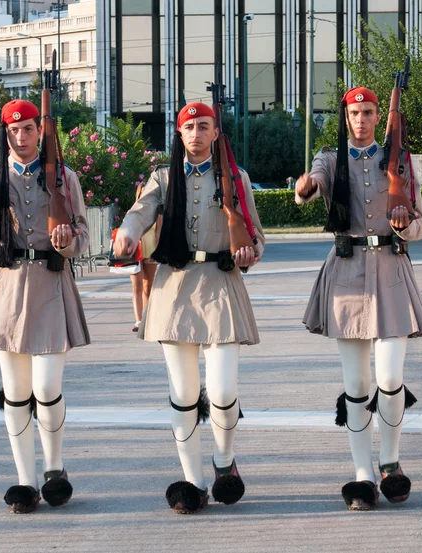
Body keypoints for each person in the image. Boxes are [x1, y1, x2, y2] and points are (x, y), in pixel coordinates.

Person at [114, 101, 264, 514]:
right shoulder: (163, 177)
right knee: (182, 393)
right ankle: (193, 481)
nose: (196, 133)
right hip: (175, 288)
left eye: (204, 126)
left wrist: (250, 252)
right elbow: (139, 211)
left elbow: (255, 233)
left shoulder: (235, 178)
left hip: (220, 284)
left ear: (216, 133)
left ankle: (223, 459)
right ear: (179, 134)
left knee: (223, 390)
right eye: (189, 127)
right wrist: (127, 235)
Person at [294, 87, 422, 511]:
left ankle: (390, 461)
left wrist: (405, 222)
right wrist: (304, 188)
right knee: (356, 384)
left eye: (368, 112)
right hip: (347, 271)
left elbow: (419, 228)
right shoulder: (329, 157)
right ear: (345, 116)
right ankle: (362, 474)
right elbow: (312, 186)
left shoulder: (399, 162)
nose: (361, 119)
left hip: (391, 270)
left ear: (379, 117)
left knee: (390, 379)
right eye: (354, 113)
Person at [0, 99, 90, 514]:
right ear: (6, 133)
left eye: (28, 129)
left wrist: (69, 242)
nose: (21, 136)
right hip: (10, 285)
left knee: (47, 387)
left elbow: (84, 233)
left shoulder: (64, 177)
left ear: (40, 131)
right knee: (16, 392)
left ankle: (54, 469)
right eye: (13, 130)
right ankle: (25, 481)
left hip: (51, 281)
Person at [129, 184, 161, 332]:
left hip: (150, 250)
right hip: (135, 251)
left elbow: (158, 233)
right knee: (137, 286)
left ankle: (148, 317)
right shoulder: (133, 212)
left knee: (148, 285)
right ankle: (138, 320)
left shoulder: (157, 213)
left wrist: (157, 252)